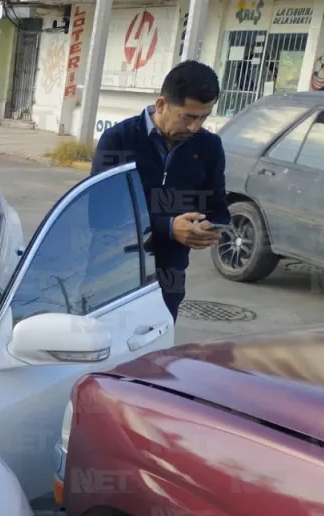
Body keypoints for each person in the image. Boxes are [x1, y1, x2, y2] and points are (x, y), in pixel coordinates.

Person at [91, 60, 230, 322]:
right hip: (112, 273)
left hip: (168, 279)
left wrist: (208, 228)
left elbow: (218, 208)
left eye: (204, 117)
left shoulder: (210, 147)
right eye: (188, 116)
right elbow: (99, 216)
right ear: (161, 104)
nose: (195, 127)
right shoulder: (118, 140)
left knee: (156, 358)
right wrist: (168, 227)